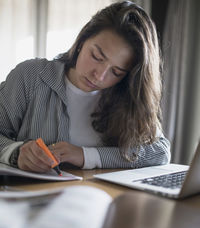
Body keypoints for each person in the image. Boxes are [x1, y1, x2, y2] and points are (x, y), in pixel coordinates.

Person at [0, 1, 170, 173]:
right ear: (82, 41)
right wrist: (16, 153)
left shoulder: (128, 96)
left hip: (100, 195)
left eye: (116, 72)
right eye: (96, 56)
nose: (100, 75)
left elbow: (160, 151)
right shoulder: (31, 76)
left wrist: (86, 156)